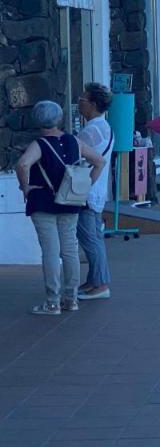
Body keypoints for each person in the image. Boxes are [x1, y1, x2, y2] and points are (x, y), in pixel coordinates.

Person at [15, 100, 105, 315]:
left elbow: (22, 164)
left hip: (43, 202)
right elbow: (99, 161)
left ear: (38, 120)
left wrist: (25, 187)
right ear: (59, 119)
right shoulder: (74, 141)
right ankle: (71, 299)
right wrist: (86, 185)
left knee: (51, 252)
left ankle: (53, 301)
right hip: (71, 200)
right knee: (70, 250)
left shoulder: (40, 144)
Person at [76, 84, 114, 301]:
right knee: (94, 238)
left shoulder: (91, 131)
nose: (79, 102)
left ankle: (100, 284)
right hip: (96, 191)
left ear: (92, 104)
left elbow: (74, 156)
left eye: (82, 99)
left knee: (90, 239)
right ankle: (94, 280)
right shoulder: (105, 127)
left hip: (86, 192)